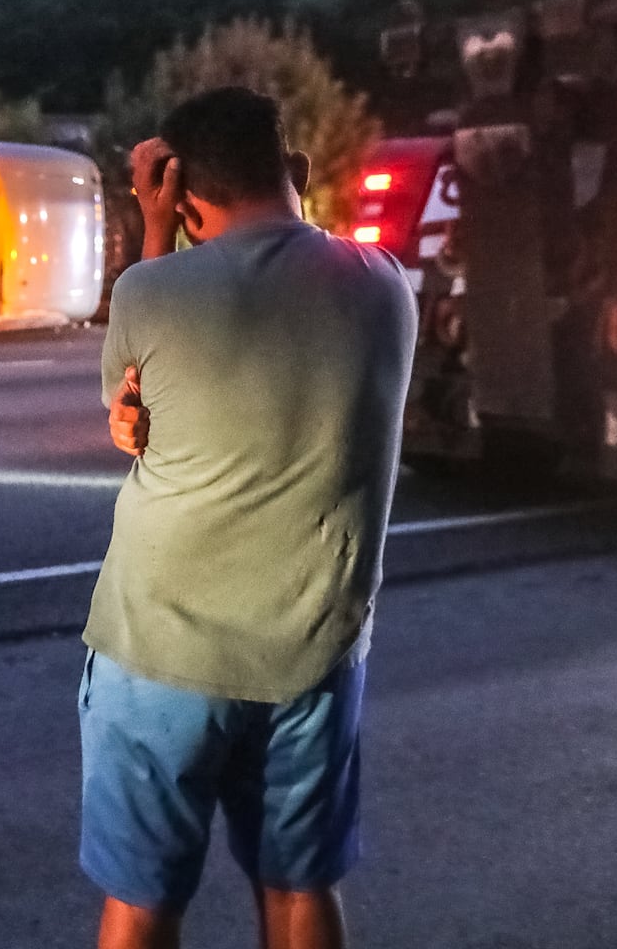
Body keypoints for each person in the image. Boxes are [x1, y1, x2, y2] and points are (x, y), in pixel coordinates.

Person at [82, 87, 418, 949]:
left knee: (142, 902)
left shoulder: (151, 293)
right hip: (311, 650)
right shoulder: (382, 288)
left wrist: (153, 228)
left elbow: (126, 410)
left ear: (186, 198)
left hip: (160, 647)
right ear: (293, 171)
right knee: (299, 887)